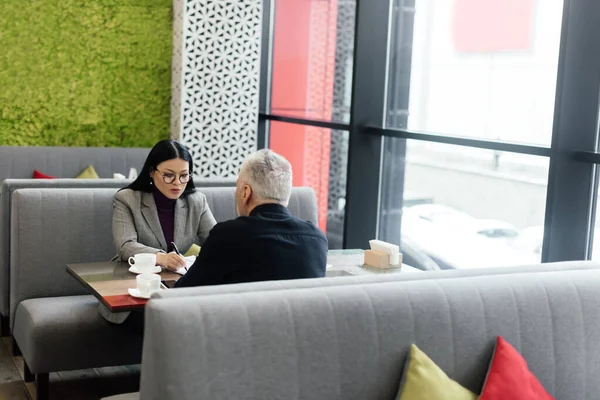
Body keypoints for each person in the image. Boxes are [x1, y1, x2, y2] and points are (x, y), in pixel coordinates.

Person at [175, 149, 328, 288]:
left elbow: (184, 291)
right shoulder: (317, 239)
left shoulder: (227, 236)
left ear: (245, 192)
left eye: (238, 186)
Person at [112, 139, 216, 271]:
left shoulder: (197, 201)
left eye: (183, 175)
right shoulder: (127, 199)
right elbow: (125, 247)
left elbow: (216, 241)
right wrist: (161, 258)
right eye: (169, 175)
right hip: (136, 277)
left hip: (178, 279)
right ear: (151, 171)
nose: (177, 182)